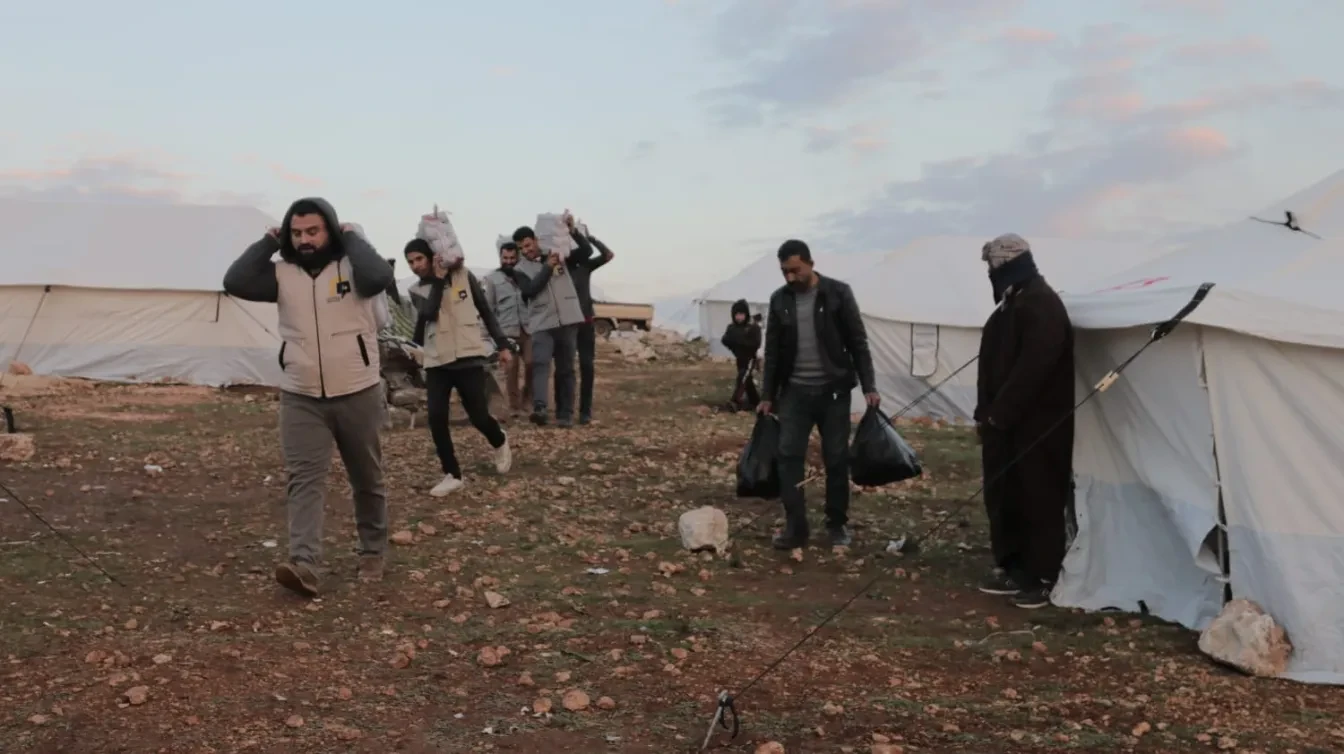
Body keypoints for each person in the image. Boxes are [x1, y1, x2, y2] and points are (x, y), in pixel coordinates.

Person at [222, 197, 395, 597]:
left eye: (313, 231)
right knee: (304, 481)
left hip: (358, 389)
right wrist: (268, 241)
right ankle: (305, 565)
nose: (304, 240)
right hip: (301, 395)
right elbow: (235, 281)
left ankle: (372, 551)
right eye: (296, 233)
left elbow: (378, 277)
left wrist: (350, 237)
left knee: (366, 477)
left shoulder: (352, 267)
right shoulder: (281, 275)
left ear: (330, 231)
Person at [973, 233, 1075, 610]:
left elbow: (1034, 368)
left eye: (992, 265)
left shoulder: (1042, 304)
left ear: (1008, 264)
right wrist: (986, 414)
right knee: (1005, 494)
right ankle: (1014, 566)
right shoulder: (1009, 305)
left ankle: (1042, 575)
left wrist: (1002, 412)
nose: (990, 273)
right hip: (1003, 424)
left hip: (1038, 426)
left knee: (1039, 497)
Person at [758, 239, 878, 550]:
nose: (790, 278)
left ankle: (836, 524)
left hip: (833, 391)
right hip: (795, 392)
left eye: (795, 270)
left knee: (837, 458)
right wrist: (767, 394)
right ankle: (796, 526)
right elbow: (771, 351)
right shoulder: (779, 300)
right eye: (785, 272)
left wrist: (869, 387)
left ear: (810, 264)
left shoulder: (838, 293)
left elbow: (858, 342)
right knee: (788, 457)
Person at [403, 239, 517, 497]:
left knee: (477, 415)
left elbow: (485, 310)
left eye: (419, 259)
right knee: (436, 417)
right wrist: (438, 280)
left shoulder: (465, 276)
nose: (415, 266)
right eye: (410, 262)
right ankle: (452, 474)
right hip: (437, 361)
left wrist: (502, 345)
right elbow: (429, 314)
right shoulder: (417, 290)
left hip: (467, 357)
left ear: (432, 257)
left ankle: (499, 440)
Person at [510, 224, 587, 427]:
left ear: (535, 240)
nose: (526, 251)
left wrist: (573, 230)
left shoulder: (559, 253)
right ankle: (541, 408)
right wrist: (547, 268)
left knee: (566, 370)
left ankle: (565, 414)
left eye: (528, 245)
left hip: (567, 320)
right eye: (522, 248)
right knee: (540, 365)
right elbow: (530, 290)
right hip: (542, 323)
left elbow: (587, 251)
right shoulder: (519, 270)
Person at [563, 217, 615, 425]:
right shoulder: (561, 265)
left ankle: (585, 411)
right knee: (567, 368)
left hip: (585, 321)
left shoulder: (585, 265)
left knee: (587, 366)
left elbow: (608, 254)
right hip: (567, 323)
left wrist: (590, 237)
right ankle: (565, 411)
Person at [483, 241, 531, 415]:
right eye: (505, 258)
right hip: (506, 332)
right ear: (500, 257)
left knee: (532, 364)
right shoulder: (492, 279)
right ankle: (514, 406)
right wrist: (488, 335)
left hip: (528, 329)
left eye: (512, 258)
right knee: (511, 369)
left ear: (517, 257)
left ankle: (528, 400)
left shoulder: (526, 276)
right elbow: (489, 308)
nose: (509, 261)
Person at [720, 299, 762, 411]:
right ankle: (755, 401)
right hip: (739, 358)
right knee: (747, 381)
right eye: (737, 314)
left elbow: (755, 344)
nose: (739, 317)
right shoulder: (732, 328)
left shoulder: (752, 327)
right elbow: (725, 340)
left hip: (750, 359)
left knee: (742, 377)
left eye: (741, 314)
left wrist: (739, 342)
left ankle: (735, 401)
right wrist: (736, 346)